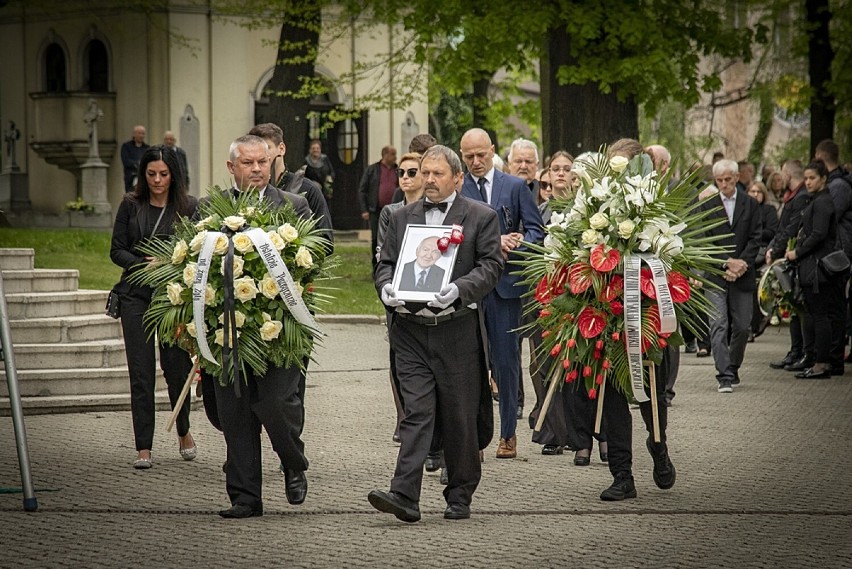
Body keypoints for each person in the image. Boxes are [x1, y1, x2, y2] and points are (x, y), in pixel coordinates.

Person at [368, 144, 503, 522]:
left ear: (457, 178)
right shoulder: (400, 216)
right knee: (417, 412)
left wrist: (459, 290)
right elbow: (385, 264)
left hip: (456, 331)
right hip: (410, 332)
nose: (428, 179)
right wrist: (386, 289)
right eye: (424, 172)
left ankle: (459, 494)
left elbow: (492, 265)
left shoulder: (481, 217)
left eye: (437, 173)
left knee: (459, 417)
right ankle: (404, 494)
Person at [211, 135, 313, 519]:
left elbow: (314, 258)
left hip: (282, 330)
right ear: (232, 167)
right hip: (227, 331)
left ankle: (292, 461)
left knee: (275, 403)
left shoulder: (294, 206)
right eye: (248, 163)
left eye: (262, 162)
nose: (257, 169)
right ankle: (245, 497)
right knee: (234, 413)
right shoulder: (211, 209)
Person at [596, 139, 676, 501]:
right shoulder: (598, 206)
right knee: (613, 395)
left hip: (646, 312)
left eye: (625, 167)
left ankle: (658, 448)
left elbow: (674, 254)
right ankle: (622, 474)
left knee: (650, 396)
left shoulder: (659, 206)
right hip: (610, 312)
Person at [109, 144, 197, 469]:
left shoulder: (189, 207)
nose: (158, 180)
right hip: (135, 296)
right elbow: (116, 250)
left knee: (176, 368)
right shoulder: (131, 205)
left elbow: (195, 251)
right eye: (151, 174)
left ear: (174, 174)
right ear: (143, 175)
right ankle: (143, 446)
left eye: (163, 174)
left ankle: (183, 430)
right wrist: (142, 265)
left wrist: (167, 265)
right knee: (141, 372)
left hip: (172, 297)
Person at [459, 128, 544, 459]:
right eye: (469, 157)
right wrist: (495, 241)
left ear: (492, 151)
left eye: (482, 155)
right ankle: (473, 437)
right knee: (469, 364)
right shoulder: (458, 187)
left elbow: (536, 230)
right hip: (467, 290)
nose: (477, 162)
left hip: (505, 289)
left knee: (507, 364)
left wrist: (520, 243)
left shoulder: (514, 186)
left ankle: (508, 434)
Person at [698, 159, 762, 393]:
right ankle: (723, 374)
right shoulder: (707, 205)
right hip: (716, 273)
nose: (724, 184)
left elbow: (756, 236)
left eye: (728, 179)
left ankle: (733, 367)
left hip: (743, 273)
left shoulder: (750, 203)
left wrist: (742, 263)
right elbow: (703, 240)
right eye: (719, 180)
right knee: (718, 324)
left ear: (736, 178)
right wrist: (727, 263)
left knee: (743, 326)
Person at [376, 152, 426, 443]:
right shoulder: (391, 212)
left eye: (411, 172)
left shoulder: (433, 210)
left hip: (427, 290)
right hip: (397, 290)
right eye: (401, 173)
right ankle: (403, 416)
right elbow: (382, 251)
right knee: (398, 356)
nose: (405, 178)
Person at [785, 160, 845, 379]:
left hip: (818, 269)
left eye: (812, 178)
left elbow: (818, 234)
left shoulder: (822, 202)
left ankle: (822, 363)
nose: (808, 182)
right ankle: (822, 361)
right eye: (806, 178)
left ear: (823, 179)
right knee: (819, 314)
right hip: (814, 267)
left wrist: (796, 253)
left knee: (820, 316)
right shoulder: (820, 200)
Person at [247, 123, 334, 249]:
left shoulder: (308, 189)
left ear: (281, 149)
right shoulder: (246, 191)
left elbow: (326, 241)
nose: (260, 156)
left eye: (266, 149)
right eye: (255, 151)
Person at [766, 160, 813, 372]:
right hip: (786, 253)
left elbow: (792, 228)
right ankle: (796, 351)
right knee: (792, 306)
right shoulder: (793, 196)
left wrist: (776, 249)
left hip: (795, 256)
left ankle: (802, 351)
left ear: (787, 173)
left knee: (797, 306)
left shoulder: (801, 197)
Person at [747, 181, 779, 340]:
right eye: (751, 191)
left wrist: (755, 234)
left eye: (758, 191)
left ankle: (755, 324)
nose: (754, 194)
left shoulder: (769, 210)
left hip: (762, 252)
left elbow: (772, 231)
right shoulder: (744, 209)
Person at [359, 146, 398, 267]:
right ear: (385, 155)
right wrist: (364, 209)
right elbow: (362, 190)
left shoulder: (398, 170)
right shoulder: (372, 169)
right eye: (393, 154)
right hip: (376, 210)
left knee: (394, 237)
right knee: (376, 238)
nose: (395, 157)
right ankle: (376, 265)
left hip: (395, 210)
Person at [120, 125, 149, 192]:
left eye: (143, 133)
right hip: (131, 178)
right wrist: (137, 164)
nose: (141, 136)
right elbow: (126, 161)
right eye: (139, 133)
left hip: (144, 178)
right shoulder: (126, 146)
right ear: (134, 134)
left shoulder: (147, 148)